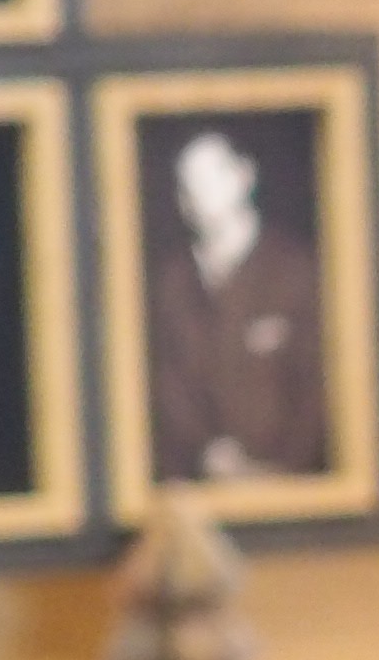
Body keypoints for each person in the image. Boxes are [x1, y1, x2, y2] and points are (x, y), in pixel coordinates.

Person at [139, 121, 327, 483]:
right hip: (200, 483)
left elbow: (319, 387)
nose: (198, 195)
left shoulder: (298, 273)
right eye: (187, 185)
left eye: (209, 179)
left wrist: (283, 472)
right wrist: (207, 454)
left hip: (292, 488)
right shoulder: (171, 285)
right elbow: (168, 388)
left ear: (243, 176)